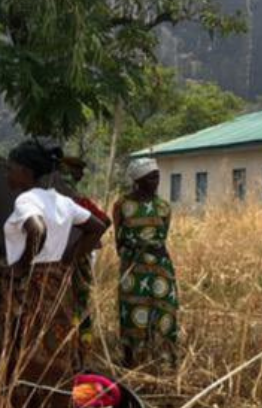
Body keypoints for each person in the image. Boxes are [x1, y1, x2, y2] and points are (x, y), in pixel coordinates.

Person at [0, 140, 108, 407]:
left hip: (30, 286)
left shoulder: (26, 199)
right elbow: (98, 226)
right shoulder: (62, 200)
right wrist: (69, 258)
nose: (7, 175)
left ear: (25, 171)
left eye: (11, 169)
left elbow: (36, 229)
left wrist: (23, 264)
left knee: (23, 346)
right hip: (59, 284)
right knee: (55, 345)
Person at [113, 158, 179, 368]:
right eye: (151, 176)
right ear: (138, 179)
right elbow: (118, 240)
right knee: (132, 313)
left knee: (165, 312)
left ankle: (164, 361)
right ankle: (131, 361)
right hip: (133, 268)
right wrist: (134, 252)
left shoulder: (163, 206)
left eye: (157, 175)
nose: (156, 180)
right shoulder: (122, 205)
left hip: (161, 267)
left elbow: (162, 237)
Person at [58, 157, 111, 353]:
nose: (80, 176)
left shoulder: (77, 200)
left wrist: (79, 247)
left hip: (72, 259)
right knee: (79, 302)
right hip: (76, 257)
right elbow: (104, 221)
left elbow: (104, 221)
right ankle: (80, 345)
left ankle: (77, 346)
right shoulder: (77, 199)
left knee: (76, 301)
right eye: (77, 172)